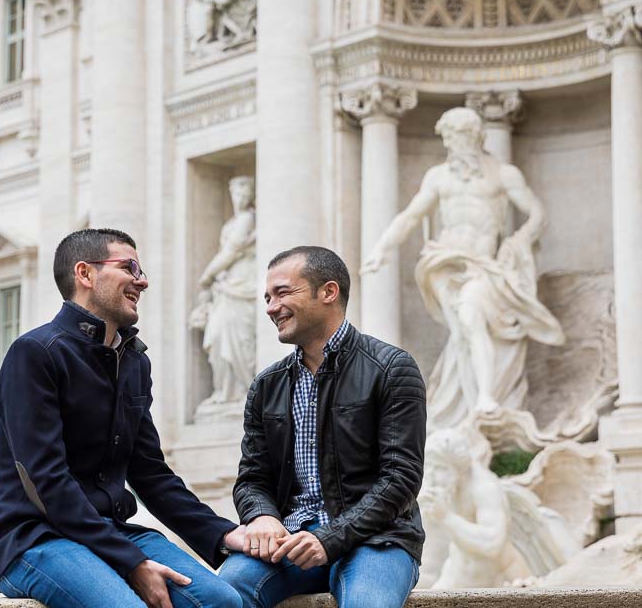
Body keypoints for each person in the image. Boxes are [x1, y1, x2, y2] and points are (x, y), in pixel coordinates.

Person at [0, 228, 244, 608]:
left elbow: (151, 474)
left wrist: (222, 535)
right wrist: (132, 562)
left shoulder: (134, 361)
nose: (143, 280)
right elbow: (46, 481)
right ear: (85, 274)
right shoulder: (34, 354)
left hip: (112, 532)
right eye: (129, 267)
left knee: (222, 601)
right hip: (35, 538)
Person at [220, 246, 426, 607]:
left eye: (282, 292)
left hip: (378, 539)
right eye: (267, 297)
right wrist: (262, 516)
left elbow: (401, 478)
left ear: (328, 292)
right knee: (222, 592)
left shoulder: (392, 368)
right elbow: (252, 478)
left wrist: (330, 538)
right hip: (293, 540)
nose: (270, 307)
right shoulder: (266, 385)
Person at [361, 107, 563, 428]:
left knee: (470, 316)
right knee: (464, 329)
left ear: (475, 136)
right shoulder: (438, 176)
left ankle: (480, 398)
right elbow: (411, 215)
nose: (453, 145)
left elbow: (537, 213)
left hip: (482, 264)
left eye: (458, 137)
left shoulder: (502, 174)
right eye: (449, 139)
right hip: (443, 262)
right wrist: (382, 248)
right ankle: (474, 401)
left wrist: (520, 239)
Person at [188, 175, 256, 407]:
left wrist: (206, 276)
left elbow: (232, 251)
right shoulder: (230, 224)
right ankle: (224, 390)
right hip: (227, 286)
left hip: (244, 283)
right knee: (217, 334)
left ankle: (244, 389)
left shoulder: (248, 219)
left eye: (245, 193)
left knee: (239, 336)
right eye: (236, 193)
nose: (240, 198)